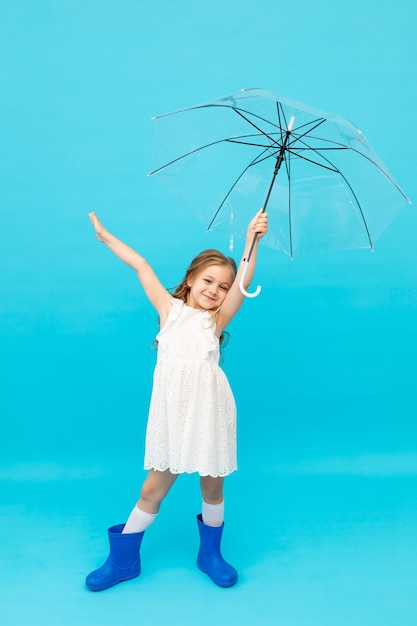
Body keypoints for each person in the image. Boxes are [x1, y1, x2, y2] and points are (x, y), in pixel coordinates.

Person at [85, 209, 268, 591]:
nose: (215, 290)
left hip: (210, 414)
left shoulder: (215, 322)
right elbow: (141, 264)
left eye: (222, 286)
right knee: (152, 489)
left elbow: (242, 286)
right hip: (173, 416)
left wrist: (252, 240)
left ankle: (211, 555)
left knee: (212, 487)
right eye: (208, 280)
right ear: (190, 279)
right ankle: (122, 560)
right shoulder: (169, 311)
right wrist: (106, 237)